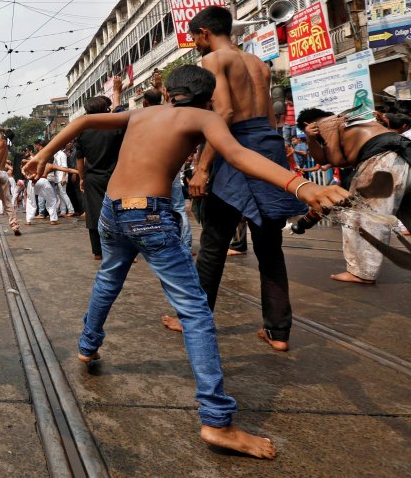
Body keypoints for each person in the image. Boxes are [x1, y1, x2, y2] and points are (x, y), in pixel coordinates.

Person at [24, 65, 351, 459]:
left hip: (113, 209)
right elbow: (239, 154)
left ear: (167, 94)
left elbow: (85, 119)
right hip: (149, 214)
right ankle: (217, 421)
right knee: (195, 312)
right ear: (208, 98)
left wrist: (43, 152)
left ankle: (87, 345)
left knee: (109, 278)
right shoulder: (204, 116)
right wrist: (301, 185)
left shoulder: (141, 113)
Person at [167, 7, 307, 353]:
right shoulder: (259, 64)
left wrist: (202, 167)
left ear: (203, 33)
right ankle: (278, 331)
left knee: (213, 242)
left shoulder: (215, 60)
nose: (196, 46)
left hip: (235, 148)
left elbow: (225, 114)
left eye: (194, 39)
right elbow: (271, 118)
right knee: (270, 247)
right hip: (267, 147)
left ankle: (193, 319)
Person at [298, 107, 410, 283]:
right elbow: (322, 160)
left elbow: (336, 160)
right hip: (402, 156)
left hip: (381, 161)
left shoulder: (327, 124)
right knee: (407, 209)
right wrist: (311, 139)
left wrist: (313, 136)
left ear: (308, 124)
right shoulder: (348, 119)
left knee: (360, 216)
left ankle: (361, 272)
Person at [142, 88, 192, 252]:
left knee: (154, 208)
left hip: (153, 170)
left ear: (144, 103)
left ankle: (159, 243)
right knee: (178, 208)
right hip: (173, 167)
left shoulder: (142, 121)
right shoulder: (169, 118)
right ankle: (185, 243)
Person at [74, 96, 122, 260]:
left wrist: (81, 177)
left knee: (94, 213)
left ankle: (97, 251)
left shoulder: (83, 131)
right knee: (118, 211)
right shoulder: (115, 127)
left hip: (92, 177)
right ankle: (121, 249)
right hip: (115, 175)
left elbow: (79, 159)